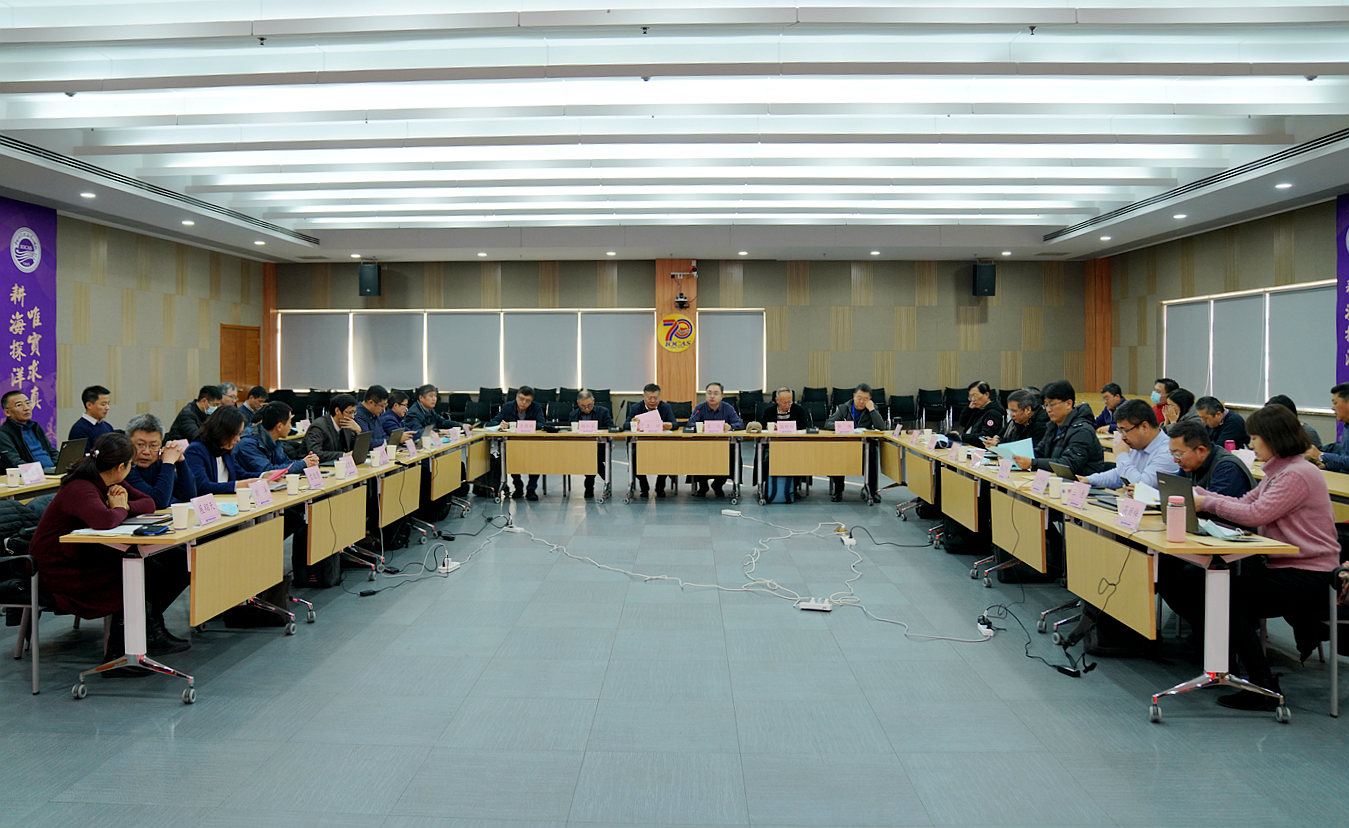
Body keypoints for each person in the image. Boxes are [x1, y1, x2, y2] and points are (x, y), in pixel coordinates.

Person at [1193, 405, 1340, 711]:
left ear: (1274, 439)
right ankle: (1236, 671)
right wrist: (1202, 496)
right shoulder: (1279, 471)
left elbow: (1255, 514)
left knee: (1227, 600)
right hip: (1286, 566)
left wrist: (1206, 503)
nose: (1251, 444)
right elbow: (1243, 502)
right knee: (1214, 588)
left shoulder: (1298, 473)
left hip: (1310, 574)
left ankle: (1262, 685)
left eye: (1255, 438)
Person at [31, 432, 190, 673]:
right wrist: (119, 509)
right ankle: (118, 654)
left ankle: (146, 631)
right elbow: (104, 521)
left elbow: (149, 503)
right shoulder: (81, 487)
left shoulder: (110, 481)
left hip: (86, 555)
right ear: (120, 467)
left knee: (173, 561)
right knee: (144, 572)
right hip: (60, 568)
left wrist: (123, 506)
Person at [1155, 419, 1259, 651]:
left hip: (1238, 551)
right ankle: (1203, 627)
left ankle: (1215, 636)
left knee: (1188, 575)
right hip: (1204, 542)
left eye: (1179, 454)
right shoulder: (1189, 466)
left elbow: (1214, 513)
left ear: (1201, 450)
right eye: (1172, 454)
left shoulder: (1227, 467)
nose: (1175, 460)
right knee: (1160, 564)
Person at [1013, 380, 1108, 476]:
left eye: (1052, 405)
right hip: (1057, 479)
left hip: (1082, 482)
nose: (1048, 410)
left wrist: (1033, 463)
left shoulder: (1082, 431)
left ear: (1068, 404)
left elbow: (1068, 464)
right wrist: (1015, 457)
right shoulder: (1053, 426)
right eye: (1046, 405)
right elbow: (1040, 451)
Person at [1077, 399, 1178, 490]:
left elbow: (1140, 487)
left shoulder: (1168, 452)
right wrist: (1089, 480)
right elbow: (1119, 476)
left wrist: (1122, 456)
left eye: (1125, 431)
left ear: (1144, 427)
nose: (1123, 437)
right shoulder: (1138, 445)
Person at [825, 383, 886, 502]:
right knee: (837, 456)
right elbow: (828, 424)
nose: (861, 402)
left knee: (872, 455)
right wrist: (846, 427)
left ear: (870, 399)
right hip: (845, 445)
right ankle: (838, 491)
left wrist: (872, 410)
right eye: (859, 398)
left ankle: (872, 491)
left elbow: (881, 427)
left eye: (865, 399)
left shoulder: (872, 409)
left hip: (864, 446)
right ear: (854, 396)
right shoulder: (844, 408)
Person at [124, 414, 196, 509]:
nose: (146, 452)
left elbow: (190, 496)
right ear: (127, 442)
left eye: (153, 446)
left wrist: (180, 460)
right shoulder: (124, 468)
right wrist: (168, 463)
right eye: (140, 444)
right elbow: (158, 502)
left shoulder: (158, 463)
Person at [234, 401, 321, 477]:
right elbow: (268, 471)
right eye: (289, 423)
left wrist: (308, 461)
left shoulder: (273, 440)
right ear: (279, 426)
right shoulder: (247, 444)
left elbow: (285, 463)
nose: (291, 426)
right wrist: (303, 463)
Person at [687, 382, 744, 498]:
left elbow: (740, 424)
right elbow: (690, 423)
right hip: (703, 445)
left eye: (715, 393)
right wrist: (699, 426)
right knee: (696, 454)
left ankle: (718, 484)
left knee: (732, 455)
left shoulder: (728, 408)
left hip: (724, 445)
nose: (712, 396)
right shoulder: (700, 408)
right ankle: (703, 486)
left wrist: (730, 427)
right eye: (709, 393)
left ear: (722, 396)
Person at [490, 386, 546, 500]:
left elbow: (541, 424)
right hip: (513, 443)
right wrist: (500, 425)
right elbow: (493, 422)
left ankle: (531, 489)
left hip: (531, 442)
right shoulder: (507, 407)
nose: (523, 403)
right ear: (516, 397)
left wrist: (516, 425)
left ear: (531, 401)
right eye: (521, 399)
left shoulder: (536, 407)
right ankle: (518, 487)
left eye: (527, 401)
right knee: (511, 458)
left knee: (536, 460)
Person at [183, 406, 252, 495]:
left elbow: (240, 474)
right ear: (222, 432)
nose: (238, 439)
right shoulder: (196, 450)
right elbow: (202, 486)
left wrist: (264, 476)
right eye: (235, 435)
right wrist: (237, 486)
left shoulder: (225, 449)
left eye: (240, 434)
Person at [626, 383, 677, 497]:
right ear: (643, 397)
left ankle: (660, 486)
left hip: (661, 443)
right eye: (649, 398)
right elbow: (625, 425)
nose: (653, 401)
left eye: (656, 398)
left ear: (660, 397)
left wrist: (670, 425)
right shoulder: (636, 407)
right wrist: (633, 424)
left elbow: (675, 424)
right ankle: (644, 486)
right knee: (634, 457)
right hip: (640, 444)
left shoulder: (665, 407)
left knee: (667, 457)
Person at [568, 389, 614, 498]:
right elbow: (570, 432)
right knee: (589, 456)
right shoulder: (573, 415)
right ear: (578, 403)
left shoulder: (603, 412)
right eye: (583, 406)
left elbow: (610, 428)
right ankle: (606, 479)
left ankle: (589, 487)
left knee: (592, 456)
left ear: (593, 401)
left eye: (589, 405)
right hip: (581, 448)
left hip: (600, 446)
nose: (587, 408)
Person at [0, 389, 57, 472]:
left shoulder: (35, 427)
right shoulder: (3, 434)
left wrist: (58, 467)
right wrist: (42, 472)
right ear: (7, 412)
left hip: (51, 472)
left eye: (28, 403)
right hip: (33, 475)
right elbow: (15, 462)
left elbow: (52, 452)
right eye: (19, 405)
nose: (26, 408)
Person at [984, 388, 1049, 448]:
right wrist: (998, 441)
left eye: (1014, 411)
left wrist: (999, 445)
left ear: (1028, 409)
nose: (1011, 415)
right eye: (1010, 411)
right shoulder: (1020, 420)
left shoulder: (1042, 423)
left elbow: (1032, 448)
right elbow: (1014, 440)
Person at [305, 394, 360, 463]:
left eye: (354, 413)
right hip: (317, 466)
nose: (352, 417)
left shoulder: (346, 424)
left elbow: (354, 448)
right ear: (337, 411)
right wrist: (343, 455)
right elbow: (315, 453)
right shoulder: (318, 427)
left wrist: (359, 431)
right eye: (350, 412)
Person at [1305, 383, 1349, 471]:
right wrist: (1326, 465)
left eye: (1335, 403)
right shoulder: (1346, 427)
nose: (1332, 407)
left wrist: (1322, 456)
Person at [948, 380, 1004, 447]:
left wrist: (961, 436)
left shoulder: (993, 413)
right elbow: (963, 423)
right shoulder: (978, 408)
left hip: (979, 447)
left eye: (975, 396)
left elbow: (984, 437)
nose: (973, 399)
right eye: (970, 397)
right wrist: (968, 409)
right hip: (969, 443)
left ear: (986, 394)